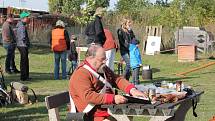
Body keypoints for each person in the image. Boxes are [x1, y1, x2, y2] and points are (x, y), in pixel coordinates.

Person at [69, 44, 147, 121]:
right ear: (90, 58)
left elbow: (117, 79)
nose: (105, 62)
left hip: (108, 109)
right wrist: (112, 98)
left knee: (127, 117)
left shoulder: (102, 68)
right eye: (102, 59)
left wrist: (132, 90)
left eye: (105, 59)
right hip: (92, 115)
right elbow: (88, 96)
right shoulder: (81, 74)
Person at [16, 11, 31, 81]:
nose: (28, 18)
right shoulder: (21, 26)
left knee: (24, 61)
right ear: (23, 18)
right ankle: (24, 77)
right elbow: (22, 37)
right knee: (24, 61)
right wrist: (26, 43)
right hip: (22, 45)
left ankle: (25, 76)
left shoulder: (21, 25)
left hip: (21, 45)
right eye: (27, 17)